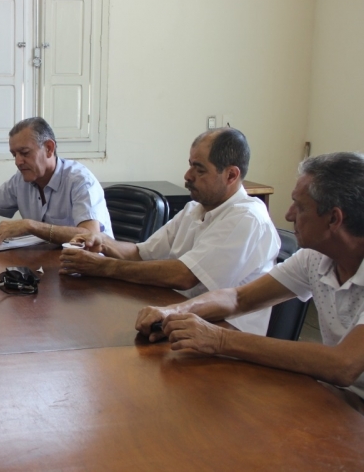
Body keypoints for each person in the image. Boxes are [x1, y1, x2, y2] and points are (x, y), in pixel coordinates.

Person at [136, 152, 364, 410]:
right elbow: (238, 298)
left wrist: (220, 340)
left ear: (334, 219)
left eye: (299, 207)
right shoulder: (314, 258)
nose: (288, 215)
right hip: (339, 398)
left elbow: (344, 365)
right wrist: (173, 312)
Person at [61, 128, 279, 334]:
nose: (188, 175)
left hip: (224, 337)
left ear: (231, 175)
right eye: (190, 165)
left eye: (199, 169)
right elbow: (140, 254)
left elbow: (183, 276)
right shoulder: (194, 209)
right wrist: (101, 241)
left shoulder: (246, 219)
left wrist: (104, 267)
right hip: (180, 319)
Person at [0, 117, 113, 244]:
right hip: (48, 266)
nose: (18, 162)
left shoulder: (80, 181)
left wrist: (30, 226)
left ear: (49, 148)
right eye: (14, 155)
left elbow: (89, 236)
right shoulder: (20, 181)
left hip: (94, 273)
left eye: (25, 153)